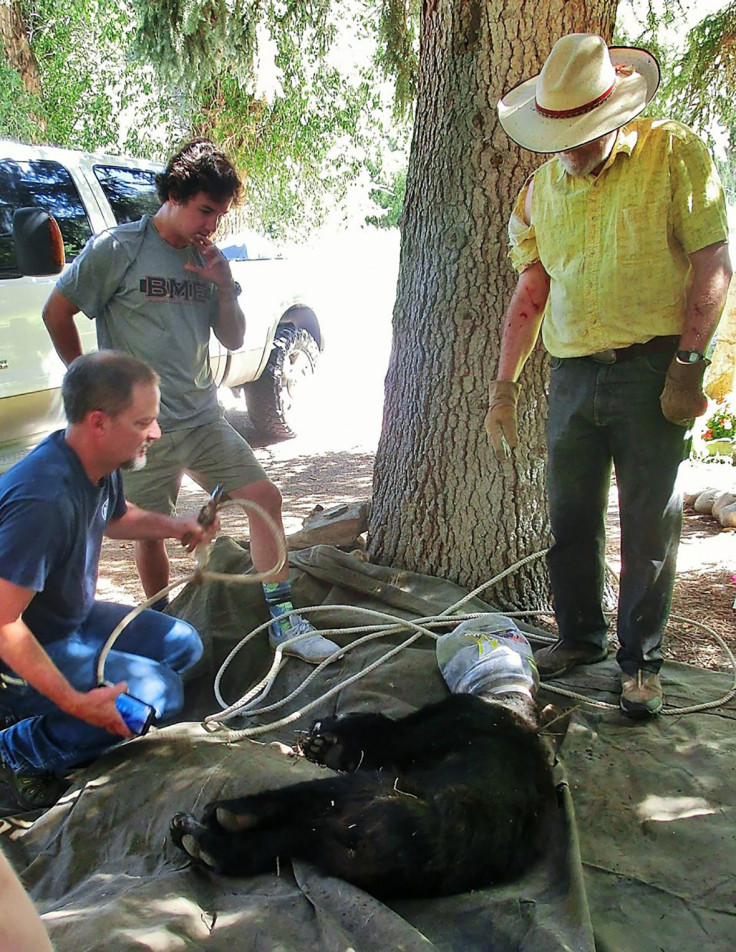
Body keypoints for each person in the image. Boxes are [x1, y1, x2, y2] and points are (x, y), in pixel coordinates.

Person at [486, 34, 732, 717]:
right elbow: (530, 293)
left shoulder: (673, 153)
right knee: (569, 517)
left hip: (653, 369)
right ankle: (579, 637)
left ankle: (640, 665)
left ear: (613, 112)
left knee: (650, 526)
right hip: (570, 375)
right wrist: (504, 386)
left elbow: (713, 264)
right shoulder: (539, 192)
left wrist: (688, 365)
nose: (570, 144)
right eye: (557, 131)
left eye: (583, 129)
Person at [42, 138, 338, 665]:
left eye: (220, 214)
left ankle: (282, 619)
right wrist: (89, 385)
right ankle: (165, 631)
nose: (211, 224)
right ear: (174, 195)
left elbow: (232, 337)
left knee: (263, 499)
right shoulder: (119, 249)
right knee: (149, 533)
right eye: (205, 210)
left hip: (203, 419)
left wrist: (224, 287)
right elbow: (56, 312)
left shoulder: (208, 259)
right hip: (142, 430)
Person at [0, 352, 212, 811]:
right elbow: (2, 622)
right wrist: (77, 702)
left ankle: (58, 716)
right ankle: (15, 750)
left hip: (67, 621)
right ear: (99, 422)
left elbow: (115, 518)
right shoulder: (43, 500)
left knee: (185, 645)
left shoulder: (94, 462)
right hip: (20, 646)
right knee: (161, 694)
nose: (154, 434)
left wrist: (176, 526)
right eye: (144, 423)